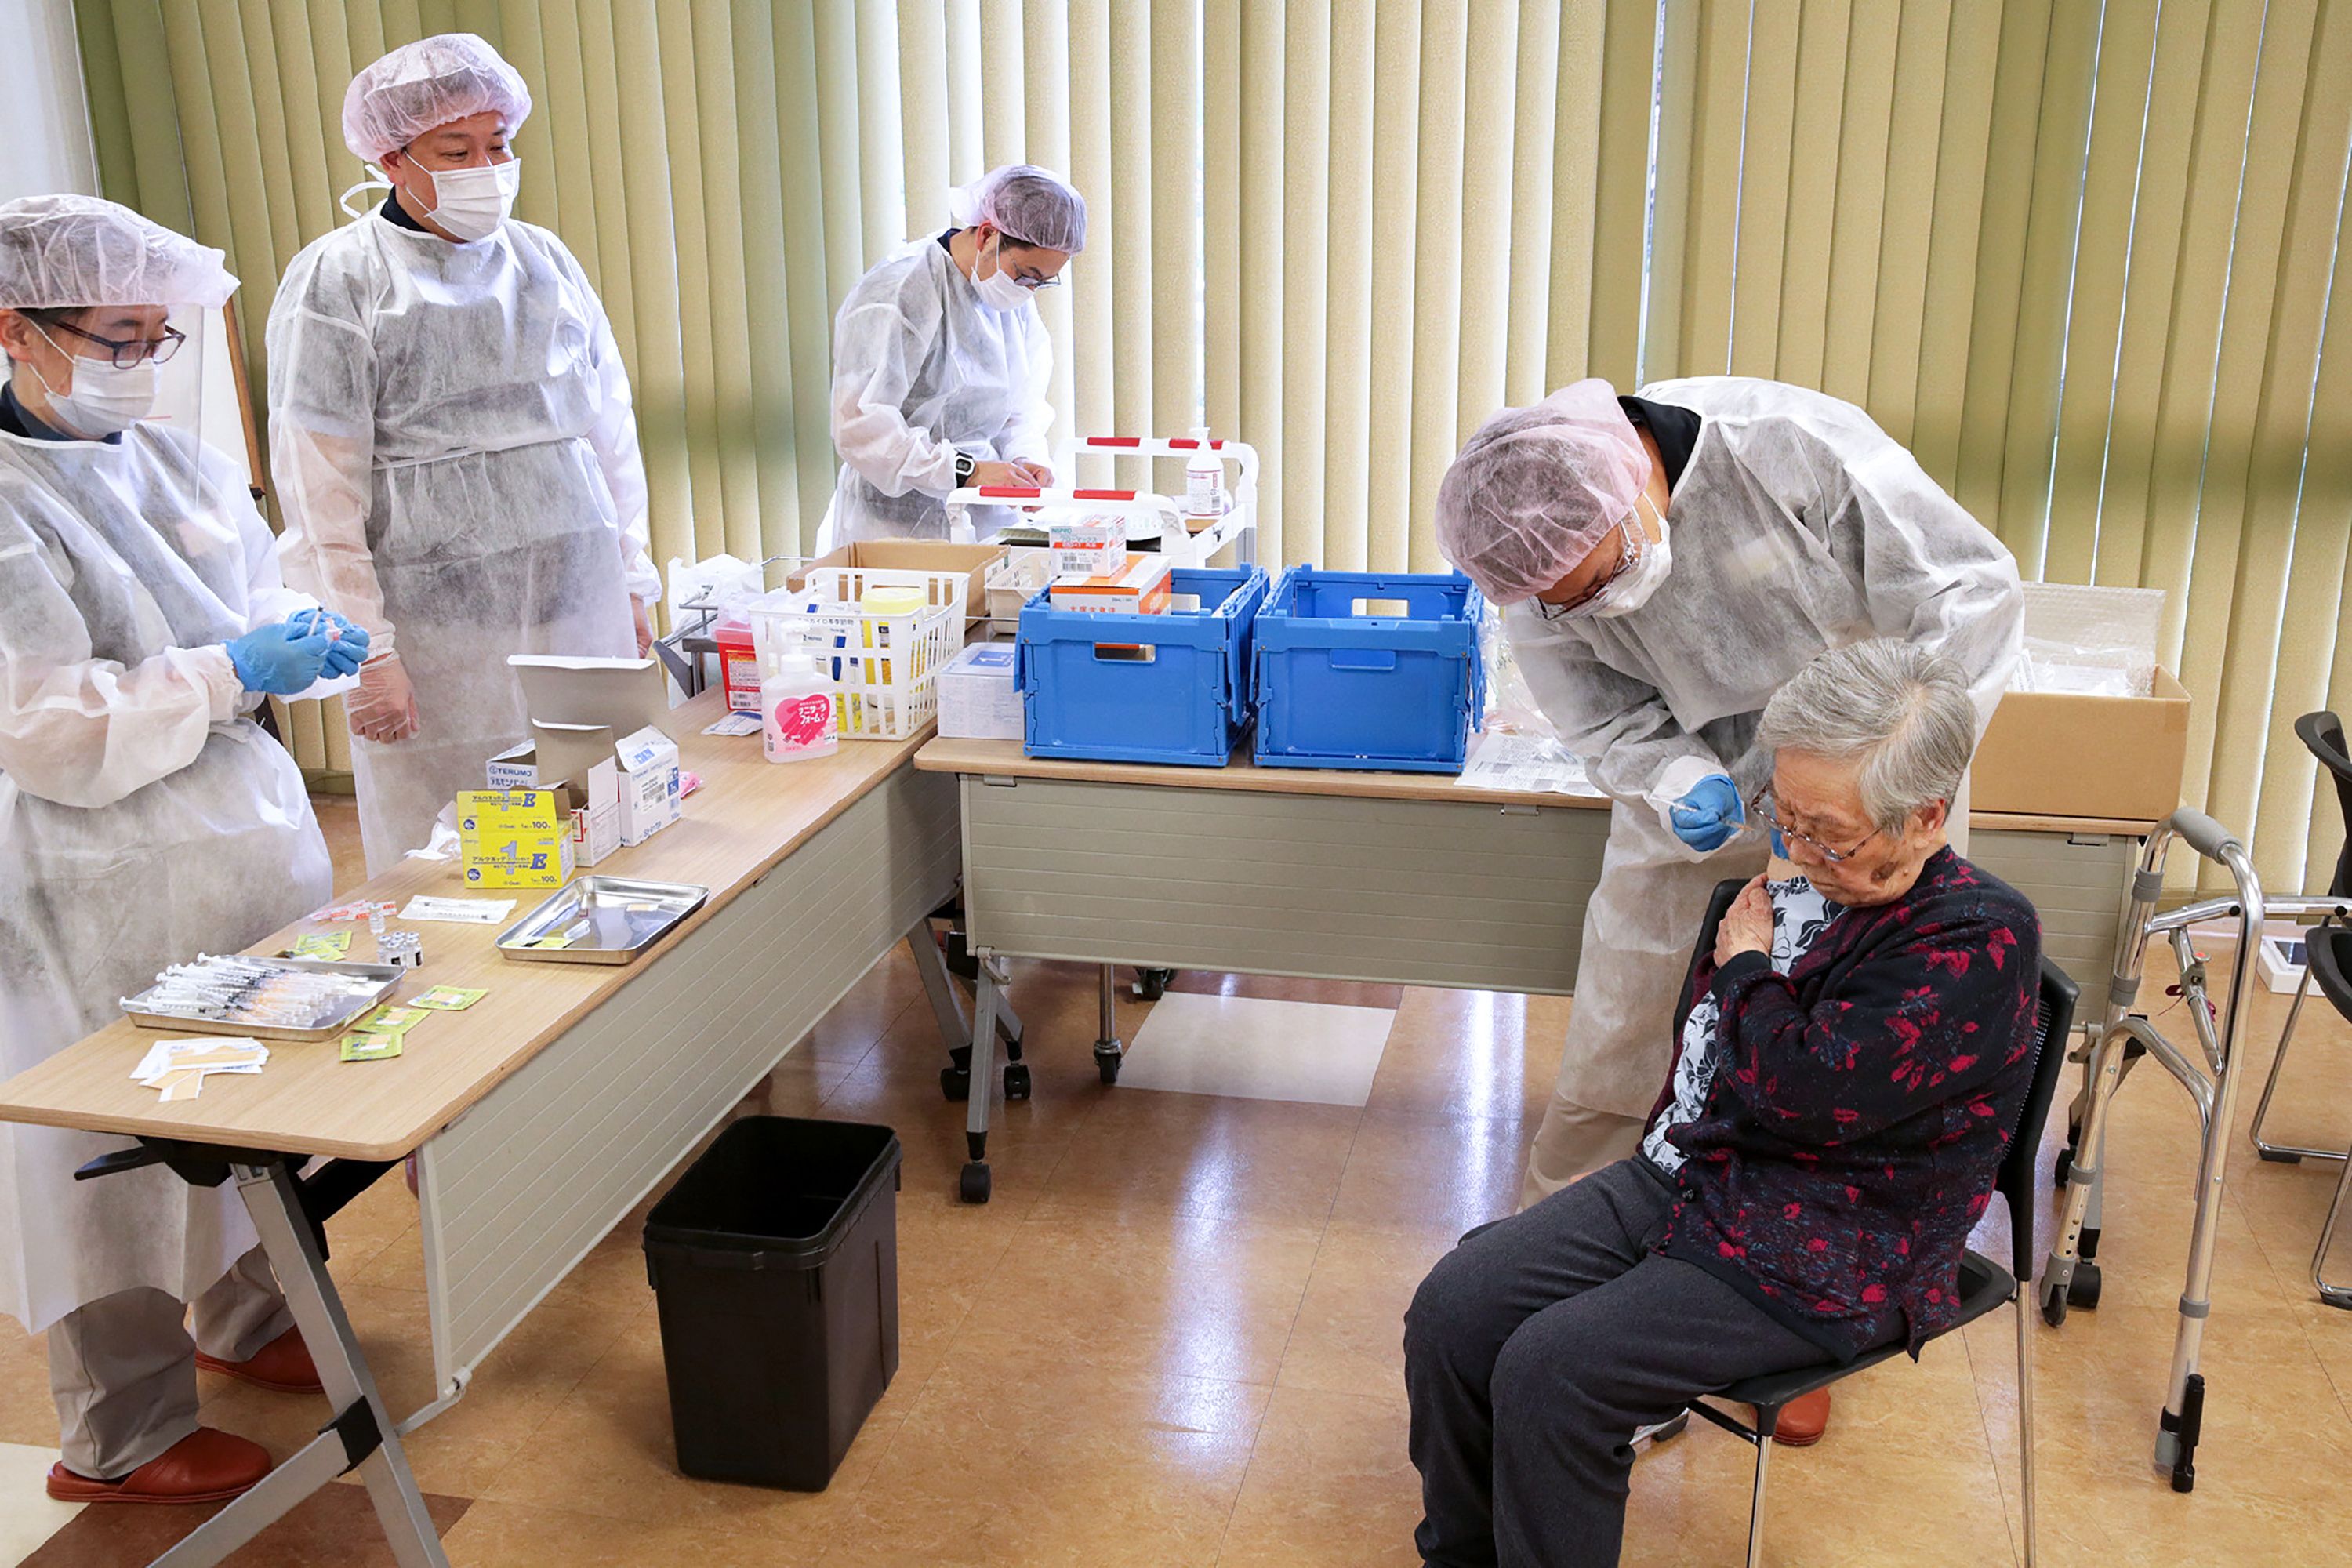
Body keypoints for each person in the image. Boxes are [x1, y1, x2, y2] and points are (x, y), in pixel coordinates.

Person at [1403, 641, 2044, 1568]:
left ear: (1927, 815)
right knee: (1455, 1308)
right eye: (1786, 815)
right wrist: (1729, 1011)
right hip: (1696, 1171)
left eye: (1830, 831)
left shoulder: (1976, 936)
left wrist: (1748, 965)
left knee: (1556, 1372)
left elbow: (1804, 1089)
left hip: (1831, 1235)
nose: (1801, 846)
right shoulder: (1803, 880)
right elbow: (1709, 1045)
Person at [1435, 377, 2024, 1209]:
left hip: (1870, 780)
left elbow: (1971, 595)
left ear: (1629, 481)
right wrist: (1674, 778)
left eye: (1603, 576)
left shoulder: (1789, 451)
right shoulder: (1532, 559)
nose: (1597, 606)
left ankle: (1813, 1226)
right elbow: (1603, 717)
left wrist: (1889, 760)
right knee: (1630, 1022)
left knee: (1865, 1018)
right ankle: (1572, 1228)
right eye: (1572, 602)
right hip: (1696, 776)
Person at [0, 195, 368, 1504]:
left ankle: (247, 1315)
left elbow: (241, 601)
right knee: (102, 1156)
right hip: (83, 884)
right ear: (17, 330)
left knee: (244, 1109)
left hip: (232, 843)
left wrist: (296, 636)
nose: (146, 360)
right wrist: (228, 670)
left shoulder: (165, 456)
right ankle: (122, 1430)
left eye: (162, 334)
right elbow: (47, 732)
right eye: (118, 333)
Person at [269, 32, 661, 877]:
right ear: (391, 155)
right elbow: (320, 486)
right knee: (447, 849)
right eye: (456, 150)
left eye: (500, 145)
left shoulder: (543, 259)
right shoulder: (337, 281)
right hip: (434, 622)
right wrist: (369, 653)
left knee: (593, 812)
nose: (487, 167)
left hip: (571, 587)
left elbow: (608, 433)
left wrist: (631, 580)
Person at [823, 163, 1087, 550]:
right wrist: (967, 471)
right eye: (1027, 274)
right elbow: (860, 427)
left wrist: (1027, 460)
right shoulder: (899, 295)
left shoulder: (1008, 292)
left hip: (984, 519)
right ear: (986, 234)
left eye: (1042, 281)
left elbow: (1019, 409)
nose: (1030, 289)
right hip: (895, 527)